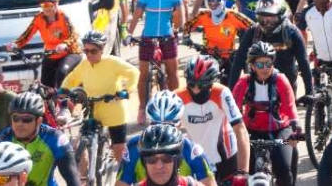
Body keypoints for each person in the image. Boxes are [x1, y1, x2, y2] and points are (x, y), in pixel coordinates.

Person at [61, 30, 139, 165]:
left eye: (93, 51)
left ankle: (125, 176)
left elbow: (134, 73)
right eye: (86, 51)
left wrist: (126, 91)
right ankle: (84, 179)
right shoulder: (84, 64)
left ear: (102, 49)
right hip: (92, 107)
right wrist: (63, 90)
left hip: (114, 108)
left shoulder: (112, 61)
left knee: (119, 149)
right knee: (81, 142)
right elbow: (72, 78)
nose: (89, 54)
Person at [232, 41, 299, 186]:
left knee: (284, 168)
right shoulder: (243, 82)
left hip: (279, 131)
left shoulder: (281, 80)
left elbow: (290, 106)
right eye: (260, 65)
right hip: (250, 131)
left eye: (268, 64)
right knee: (242, 171)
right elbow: (233, 109)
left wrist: (296, 130)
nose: (264, 68)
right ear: (252, 66)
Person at [178, 56, 250, 185]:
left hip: (225, 155)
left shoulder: (222, 92)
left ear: (212, 82)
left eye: (201, 85)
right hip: (196, 158)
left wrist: (243, 171)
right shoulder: (178, 96)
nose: (195, 89)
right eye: (191, 83)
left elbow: (240, 130)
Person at [117, 91, 215, 186]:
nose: (162, 133)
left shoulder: (191, 149)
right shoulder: (134, 146)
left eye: (167, 158)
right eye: (151, 159)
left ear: (180, 124)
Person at [0, 92, 80, 186]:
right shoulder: (0, 141)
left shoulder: (54, 139)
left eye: (26, 119)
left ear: (39, 121)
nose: (20, 123)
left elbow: (72, 177)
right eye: (15, 118)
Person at [127, 0, 186, 115]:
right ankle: (142, 107)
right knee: (144, 75)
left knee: (173, 73)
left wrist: (179, 30)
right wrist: (129, 33)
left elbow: (181, 14)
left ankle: (176, 104)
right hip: (148, 36)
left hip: (167, 35)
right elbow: (136, 17)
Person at [227, 0, 312, 95]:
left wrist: (309, 92)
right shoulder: (253, 31)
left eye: (271, 18)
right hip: (257, 83)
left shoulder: (291, 32)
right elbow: (238, 61)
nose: (267, 23)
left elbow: (303, 62)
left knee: (288, 110)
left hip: (286, 85)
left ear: (281, 16)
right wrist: (231, 91)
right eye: (262, 18)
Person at [7, 0, 83, 89]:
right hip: (51, 54)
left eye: (49, 5)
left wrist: (65, 44)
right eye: (43, 5)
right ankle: (49, 103)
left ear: (56, 4)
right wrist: (15, 44)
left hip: (70, 52)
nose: (46, 8)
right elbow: (27, 35)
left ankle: (64, 101)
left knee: (62, 73)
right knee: (45, 84)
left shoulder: (63, 17)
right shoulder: (38, 18)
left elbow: (73, 35)